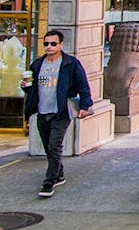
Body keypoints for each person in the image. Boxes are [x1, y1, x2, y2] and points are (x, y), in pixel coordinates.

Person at [22, 30, 94, 198]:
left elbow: (83, 85)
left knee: (55, 145)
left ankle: (49, 181)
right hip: (42, 111)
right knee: (48, 146)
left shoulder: (70, 63)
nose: (49, 47)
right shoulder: (37, 65)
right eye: (46, 44)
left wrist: (85, 105)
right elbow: (31, 88)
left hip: (61, 112)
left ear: (61, 45)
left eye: (53, 44)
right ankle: (59, 172)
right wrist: (24, 85)